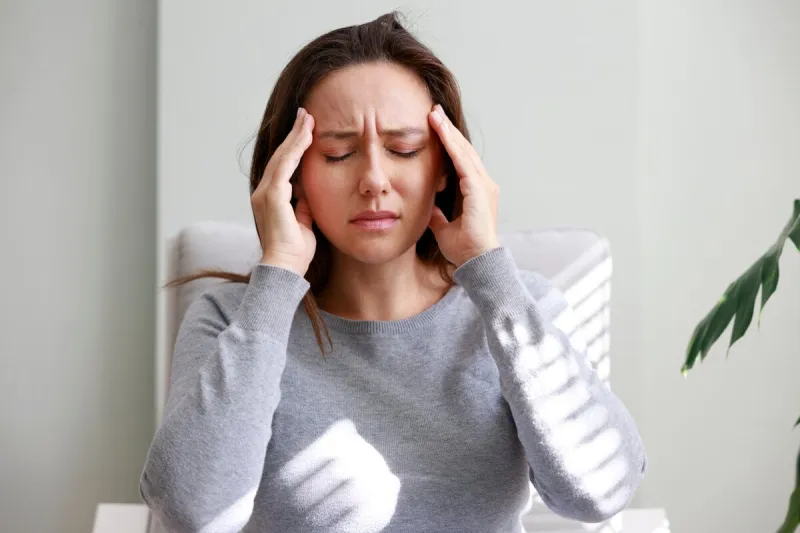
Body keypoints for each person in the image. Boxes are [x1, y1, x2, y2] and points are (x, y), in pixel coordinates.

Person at [139, 11, 647, 533]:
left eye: (405, 149)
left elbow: (600, 493)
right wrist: (277, 278)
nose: (374, 180)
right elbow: (189, 511)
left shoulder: (521, 307)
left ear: (448, 164)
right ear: (290, 174)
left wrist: (491, 274)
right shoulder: (230, 321)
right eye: (338, 154)